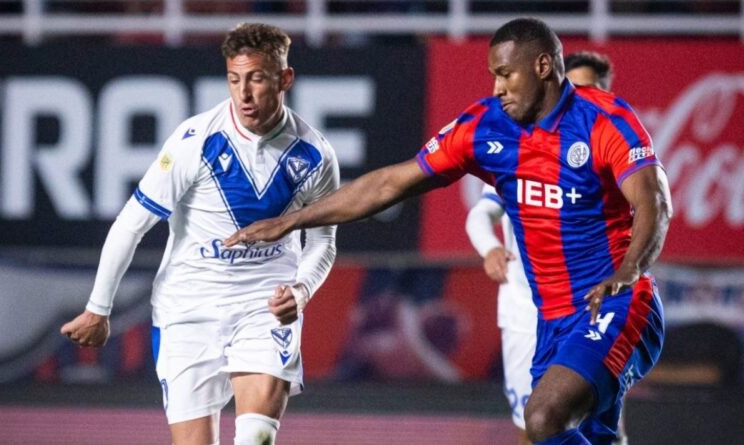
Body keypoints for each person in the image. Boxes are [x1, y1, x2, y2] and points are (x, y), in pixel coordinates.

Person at [225, 17, 672, 445]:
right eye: (491, 76)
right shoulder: (485, 126)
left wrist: (630, 267)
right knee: (573, 434)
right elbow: (390, 183)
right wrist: (293, 219)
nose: (496, 87)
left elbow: (653, 201)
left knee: (542, 418)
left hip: (617, 302)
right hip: (552, 321)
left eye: (505, 74)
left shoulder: (604, 119)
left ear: (542, 66)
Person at [61, 23, 340, 445]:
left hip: (264, 306)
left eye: (258, 79)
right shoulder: (195, 141)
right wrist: (98, 309)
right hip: (188, 308)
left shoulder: (315, 154)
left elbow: (323, 242)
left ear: (285, 79)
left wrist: (301, 290)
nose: (243, 94)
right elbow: (131, 224)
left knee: (256, 438)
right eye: (234, 79)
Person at [465, 51, 622, 445]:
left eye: (592, 89)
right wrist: (489, 249)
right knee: (534, 426)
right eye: (577, 87)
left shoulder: (619, 156)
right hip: (525, 313)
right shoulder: (524, 149)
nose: (583, 97)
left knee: (604, 427)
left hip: (596, 312)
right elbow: (480, 215)